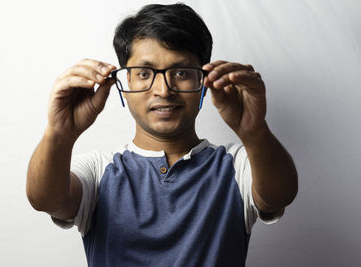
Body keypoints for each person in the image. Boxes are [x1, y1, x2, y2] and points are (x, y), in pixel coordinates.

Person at [26, 3, 298, 266]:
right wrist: (59, 134)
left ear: (203, 80)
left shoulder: (236, 165)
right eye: (144, 73)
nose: (163, 90)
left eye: (180, 72)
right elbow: (46, 199)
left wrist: (254, 130)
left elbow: (279, 196)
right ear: (125, 83)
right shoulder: (99, 170)